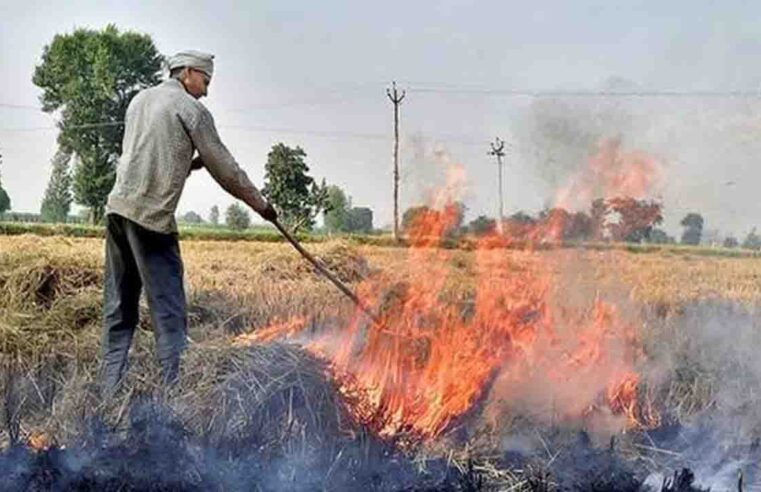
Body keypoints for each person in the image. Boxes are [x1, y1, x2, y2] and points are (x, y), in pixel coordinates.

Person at [101, 50, 277, 392]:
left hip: (118, 212)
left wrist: (190, 163)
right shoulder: (192, 110)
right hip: (151, 219)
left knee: (118, 309)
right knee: (168, 312)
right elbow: (227, 170)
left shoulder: (140, 100)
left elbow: (146, 150)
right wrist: (262, 206)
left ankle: (107, 394)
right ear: (188, 73)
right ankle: (174, 397)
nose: (207, 91)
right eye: (205, 81)